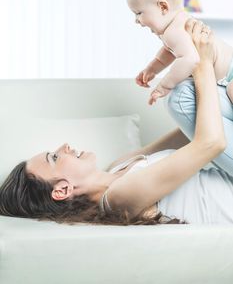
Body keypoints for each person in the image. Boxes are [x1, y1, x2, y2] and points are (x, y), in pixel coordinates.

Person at [0, 20, 231, 226]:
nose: (65, 147)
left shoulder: (120, 165)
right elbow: (210, 143)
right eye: (55, 157)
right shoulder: (118, 198)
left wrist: (189, 58)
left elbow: (187, 132)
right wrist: (203, 65)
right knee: (181, 98)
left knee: (189, 94)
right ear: (62, 189)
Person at [127, 0, 233, 105]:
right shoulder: (174, 27)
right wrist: (152, 69)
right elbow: (168, 53)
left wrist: (165, 85)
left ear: (163, 7)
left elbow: (190, 59)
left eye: (139, 13)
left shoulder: (175, 31)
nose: (137, 20)